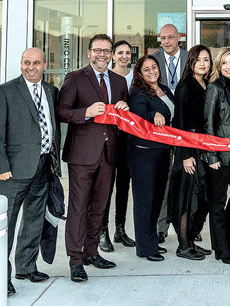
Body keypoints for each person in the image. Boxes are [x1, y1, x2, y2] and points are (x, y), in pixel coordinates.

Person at [0, 48, 60, 297]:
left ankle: (26, 267)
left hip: (43, 166)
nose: (31, 67)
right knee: (6, 224)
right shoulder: (5, 91)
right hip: (13, 170)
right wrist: (0, 167)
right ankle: (1, 277)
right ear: (20, 64)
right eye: (27, 62)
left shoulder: (50, 91)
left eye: (36, 63)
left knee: (34, 220)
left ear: (44, 65)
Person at [56, 33, 129, 283]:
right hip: (82, 155)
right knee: (78, 208)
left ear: (111, 55)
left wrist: (124, 109)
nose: (102, 55)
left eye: (106, 51)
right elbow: (62, 111)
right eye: (98, 50)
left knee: (99, 207)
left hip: (109, 154)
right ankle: (75, 260)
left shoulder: (119, 81)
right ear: (89, 53)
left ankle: (91, 252)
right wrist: (85, 112)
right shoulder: (75, 78)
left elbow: (122, 117)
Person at [167, 45, 213, 261]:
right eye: (198, 59)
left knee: (200, 197)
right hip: (188, 148)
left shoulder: (207, 85)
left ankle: (192, 241)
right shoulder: (184, 86)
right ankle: (183, 245)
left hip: (203, 147)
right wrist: (185, 155)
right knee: (186, 198)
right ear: (191, 62)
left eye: (206, 59)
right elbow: (180, 123)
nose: (203, 64)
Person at [126, 55, 173, 262]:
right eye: (146, 69)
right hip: (143, 154)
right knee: (145, 200)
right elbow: (137, 120)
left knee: (156, 199)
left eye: (154, 67)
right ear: (139, 74)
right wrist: (152, 114)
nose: (152, 71)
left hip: (163, 151)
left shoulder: (165, 89)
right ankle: (145, 248)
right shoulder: (138, 93)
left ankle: (151, 240)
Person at [202, 47, 230, 265]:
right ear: (218, 66)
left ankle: (226, 239)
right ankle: (221, 248)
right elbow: (208, 124)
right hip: (220, 154)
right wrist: (212, 156)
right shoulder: (214, 88)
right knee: (218, 202)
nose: (229, 66)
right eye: (224, 63)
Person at [150, 24, 187, 241]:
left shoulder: (190, 58)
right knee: (162, 180)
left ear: (179, 38)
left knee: (187, 179)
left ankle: (188, 227)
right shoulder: (152, 61)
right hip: (160, 128)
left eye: (170, 37)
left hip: (185, 127)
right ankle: (161, 227)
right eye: (162, 38)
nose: (166, 41)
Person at [100, 40, 136, 252]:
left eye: (128, 53)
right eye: (120, 52)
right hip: (108, 140)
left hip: (127, 140)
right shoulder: (106, 77)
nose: (124, 56)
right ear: (113, 55)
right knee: (106, 186)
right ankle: (102, 230)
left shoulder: (134, 78)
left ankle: (119, 229)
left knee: (124, 185)